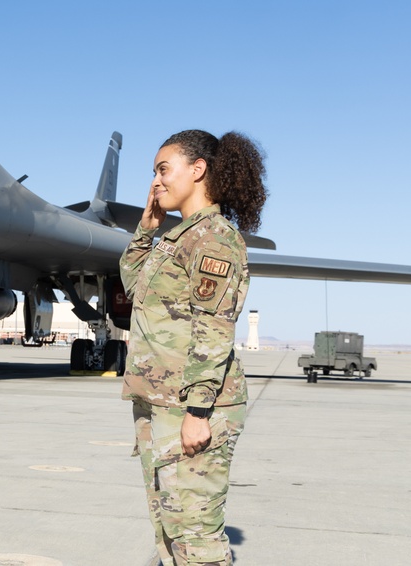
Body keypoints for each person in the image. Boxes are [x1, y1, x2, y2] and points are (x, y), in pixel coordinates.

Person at [119, 129, 267, 565]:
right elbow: (134, 288)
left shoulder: (213, 239)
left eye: (164, 169)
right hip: (159, 402)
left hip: (192, 407)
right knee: (169, 529)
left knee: (196, 538)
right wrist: (146, 232)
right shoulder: (178, 238)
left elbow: (214, 329)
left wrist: (198, 412)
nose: (156, 182)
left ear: (197, 170)